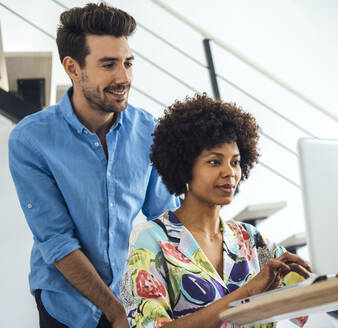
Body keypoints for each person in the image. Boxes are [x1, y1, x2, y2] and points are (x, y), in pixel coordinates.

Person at [8, 3, 178, 328]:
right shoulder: (30, 140)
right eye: (108, 65)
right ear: (72, 68)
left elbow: (166, 217)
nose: (124, 77)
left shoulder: (149, 131)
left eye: (128, 63)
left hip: (130, 298)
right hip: (66, 306)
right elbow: (57, 240)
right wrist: (116, 312)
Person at [120, 94, 311, 328]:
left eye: (235, 162)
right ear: (184, 167)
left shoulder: (251, 241)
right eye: (214, 162)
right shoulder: (151, 240)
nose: (229, 172)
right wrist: (247, 292)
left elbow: (310, 301)